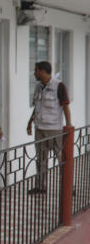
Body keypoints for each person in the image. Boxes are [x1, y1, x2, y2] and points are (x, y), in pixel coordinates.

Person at [27, 61, 72, 194]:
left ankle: (69, 187)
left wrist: (68, 126)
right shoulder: (38, 87)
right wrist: (30, 123)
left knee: (61, 158)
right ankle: (40, 186)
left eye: (36, 70)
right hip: (40, 129)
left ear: (42, 71)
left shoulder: (59, 86)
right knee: (41, 159)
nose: (35, 73)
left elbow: (65, 107)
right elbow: (37, 107)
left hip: (54, 129)